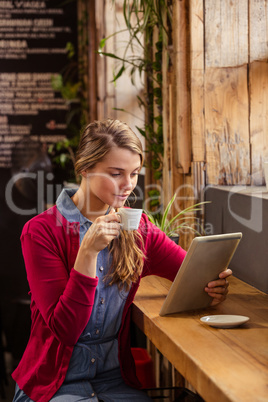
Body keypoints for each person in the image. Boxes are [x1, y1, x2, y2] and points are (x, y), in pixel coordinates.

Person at [12, 119, 231, 402]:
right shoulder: (41, 232)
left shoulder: (138, 228)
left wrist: (212, 285)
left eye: (135, 173)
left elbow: (192, 274)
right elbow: (65, 330)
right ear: (85, 168)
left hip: (115, 382)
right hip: (53, 385)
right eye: (116, 173)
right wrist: (87, 253)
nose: (129, 185)